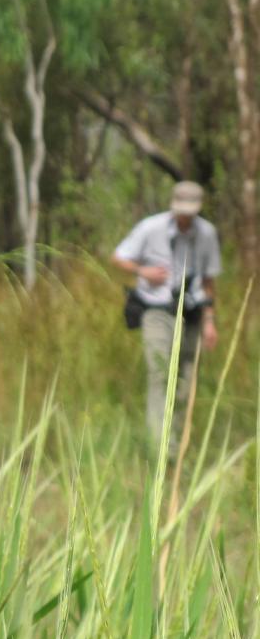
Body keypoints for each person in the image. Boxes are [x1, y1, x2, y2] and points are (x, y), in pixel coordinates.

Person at [111, 180, 221, 460]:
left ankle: (178, 445)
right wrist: (143, 271)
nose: (185, 216)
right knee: (161, 374)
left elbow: (209, 281)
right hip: (157, 308)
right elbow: (119, 257)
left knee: (186, 381)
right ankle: (159, 449)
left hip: (193, 311)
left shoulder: (206, 234)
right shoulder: (151, 228)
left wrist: (210, 321)